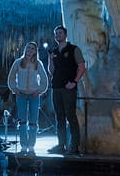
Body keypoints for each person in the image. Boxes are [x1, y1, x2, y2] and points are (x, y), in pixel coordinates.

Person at [47, 24, 86, 154]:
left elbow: (81, 67)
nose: (58, 35)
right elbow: (51, 71)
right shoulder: (53, 52)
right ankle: (61, 144)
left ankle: (74, 146)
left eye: (60, 33)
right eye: (56, 33)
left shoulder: (74, 49)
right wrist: (50, 60)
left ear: (65, 35)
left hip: (68, 87)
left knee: (71, 116)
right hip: (56, 87)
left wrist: (74, 82)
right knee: (59, 117)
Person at [8, 41, 49, 132]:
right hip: (21, 94)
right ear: (25, 49)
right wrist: (15, 89)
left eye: (32, 48)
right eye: (28, 47)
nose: (30, 50)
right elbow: (11, 77)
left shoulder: (38, 63)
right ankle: (23, 144)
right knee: (22, 121)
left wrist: (39, 91)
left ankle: (31, 144)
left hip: (34, 95)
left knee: (33, 121)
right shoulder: (18, 62)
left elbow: (44, 79)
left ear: (35, 51)